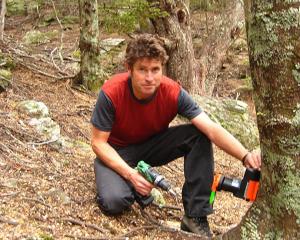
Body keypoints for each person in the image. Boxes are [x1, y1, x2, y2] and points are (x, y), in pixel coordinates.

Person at [90, 34, 261, 237]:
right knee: (114, 201)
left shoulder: (172, 92)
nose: (149, 77)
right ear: (129, 69)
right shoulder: (112, 92)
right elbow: (98, 143)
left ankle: (195, 215)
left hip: (152, 146)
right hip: (116, 152)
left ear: (162, 68)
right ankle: (128, 181)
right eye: (142, 70)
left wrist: (245, 155)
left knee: (198, 134)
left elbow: (211, 128)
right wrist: (130, 175)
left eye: (155, 69)